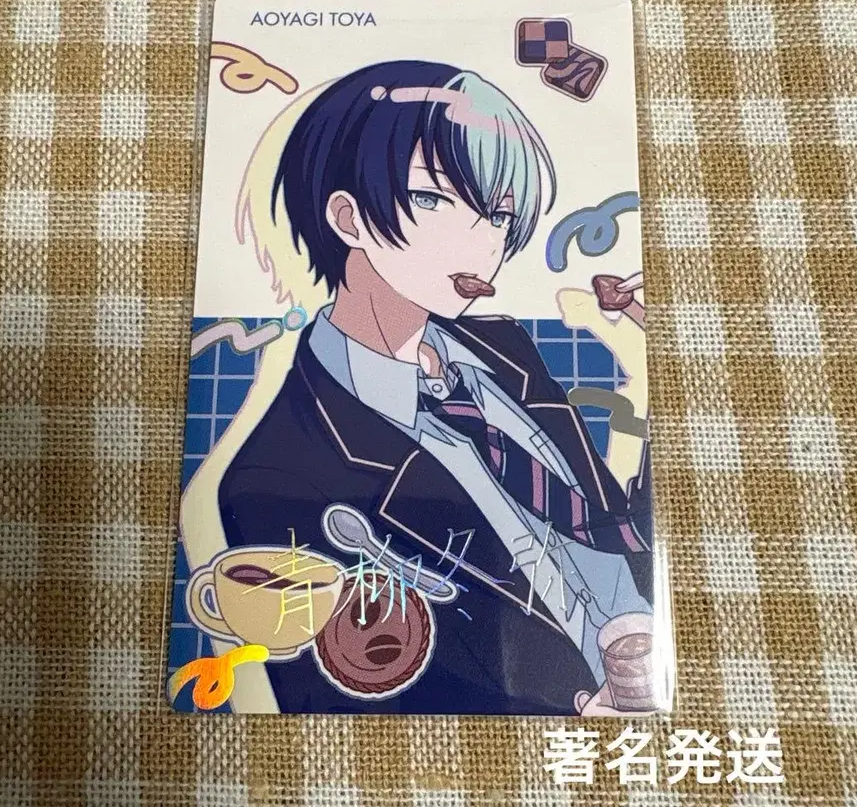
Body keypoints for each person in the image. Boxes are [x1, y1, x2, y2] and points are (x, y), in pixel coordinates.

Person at [217, 60, 653, 715]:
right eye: (433, 199)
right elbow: (356, 692)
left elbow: (602, 522)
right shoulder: (277, 477)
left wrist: (664, 370)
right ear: (348, 217)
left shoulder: (505, 348)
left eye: (499, 214)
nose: (482, 245)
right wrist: (575, 715)